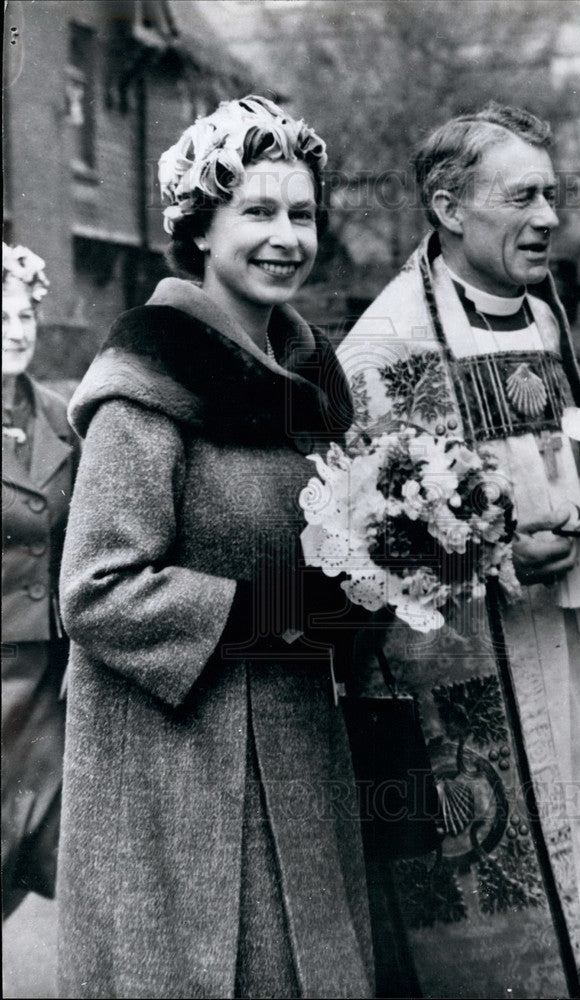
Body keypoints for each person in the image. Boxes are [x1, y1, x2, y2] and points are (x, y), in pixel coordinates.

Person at [336, 103, 580, 999]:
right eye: (522, 197)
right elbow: (367, 551)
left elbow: (557, 460)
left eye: (550, 195)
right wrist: (499, 555)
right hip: (475, 682)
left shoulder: (545, 321)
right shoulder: (388, 346)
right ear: (447, 207)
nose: (549, 217)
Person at [56, 96, 372, 999]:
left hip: (299, 746)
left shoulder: (314, 379)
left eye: (302, 214)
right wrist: (278, 614)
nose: (286, 237)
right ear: (198, 228)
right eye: (257, 211)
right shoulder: (147, 378)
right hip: (180, 773)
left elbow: (333, 561)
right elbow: (96, 589)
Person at [2, 243, 75, 920]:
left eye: (25, 315)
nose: (16, 330)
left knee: (39, 840)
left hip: (47, 679)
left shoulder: (60, 418)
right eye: (1, 318)